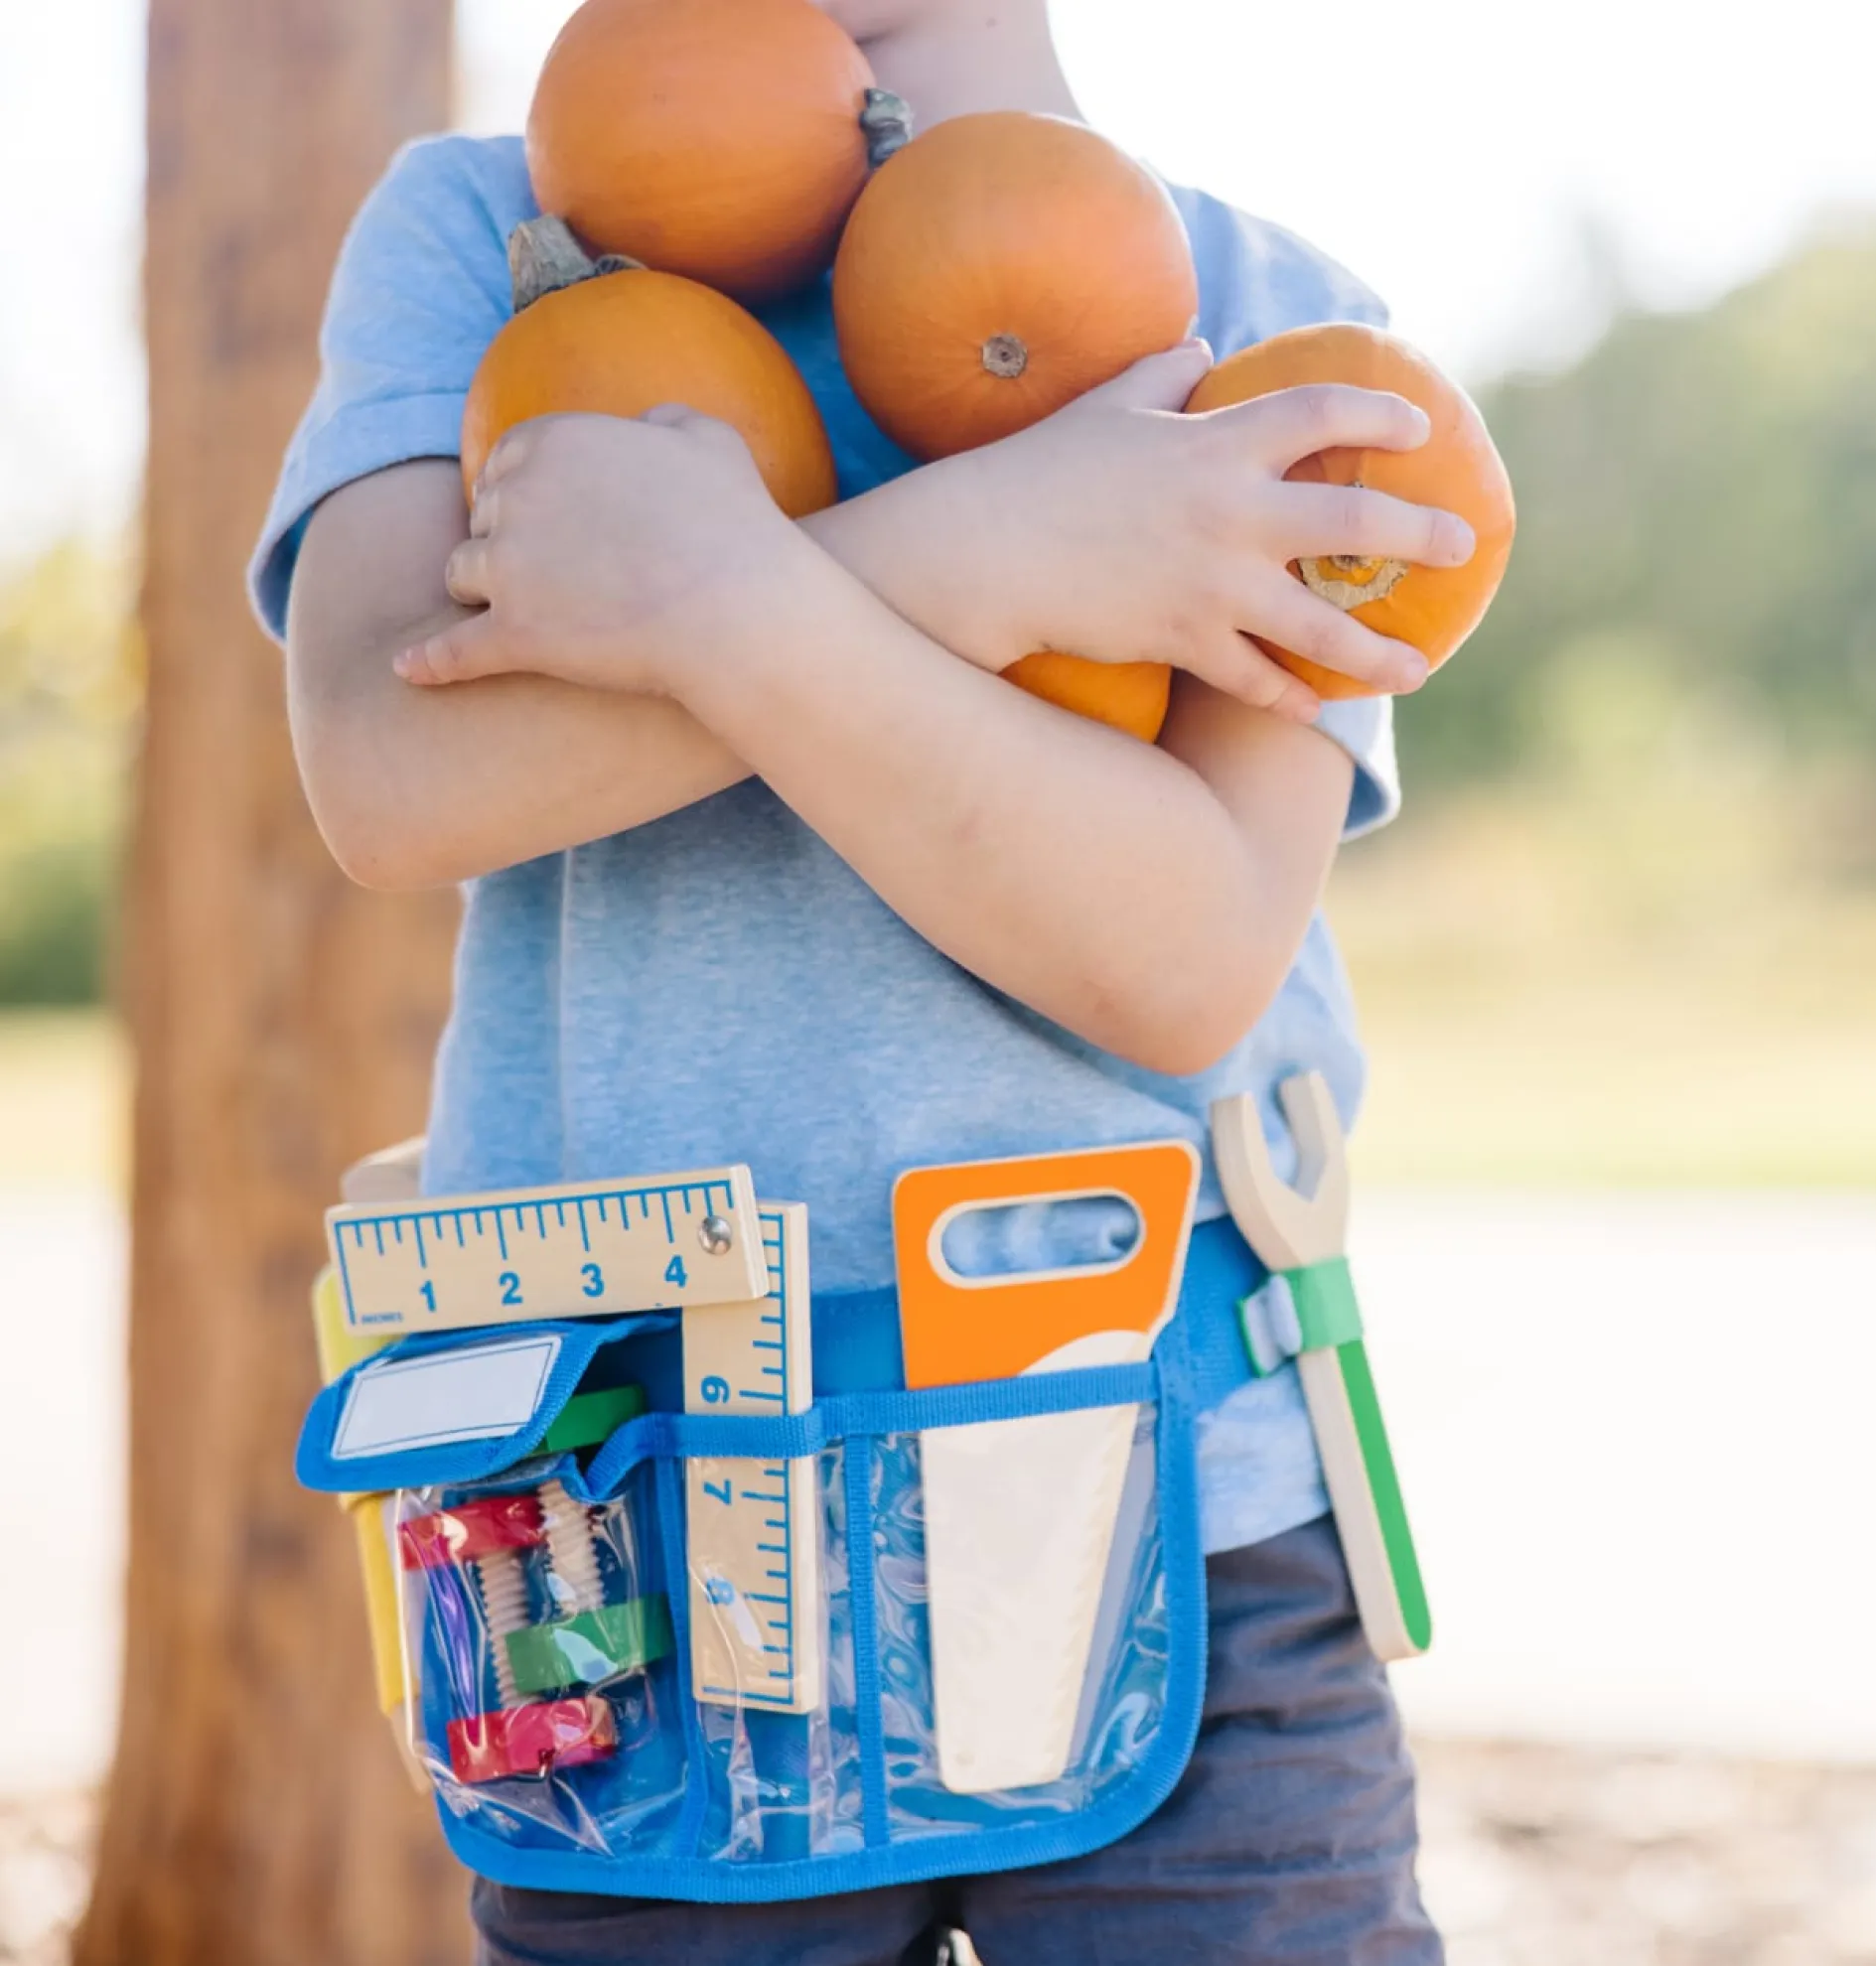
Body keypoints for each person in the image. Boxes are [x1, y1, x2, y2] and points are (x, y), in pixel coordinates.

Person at [253, 2, 1466, 1958]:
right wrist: (984, 545)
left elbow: (1178, 963)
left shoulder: (1276, 335)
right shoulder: (495, 234)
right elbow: (392, 778)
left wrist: (728, 600)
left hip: (1180, 1520)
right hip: (629, 1534)